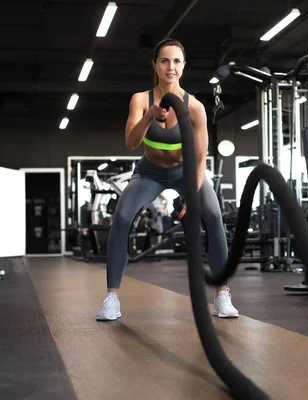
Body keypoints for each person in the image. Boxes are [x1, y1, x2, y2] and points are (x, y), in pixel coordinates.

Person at [96, 38, 239, 321]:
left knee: (212, 215)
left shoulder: (195, 107)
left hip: (185, 173)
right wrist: (149, 115)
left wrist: (190, 197)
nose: (170, 67)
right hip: (150, 172)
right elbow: (131, 142)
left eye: (176, 61)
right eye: (164, 61)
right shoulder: (141, 99)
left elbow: (200, 158)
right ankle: (111, 298)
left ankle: (222, 294)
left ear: (183, 66)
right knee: (122, 217)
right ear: (155, 65)